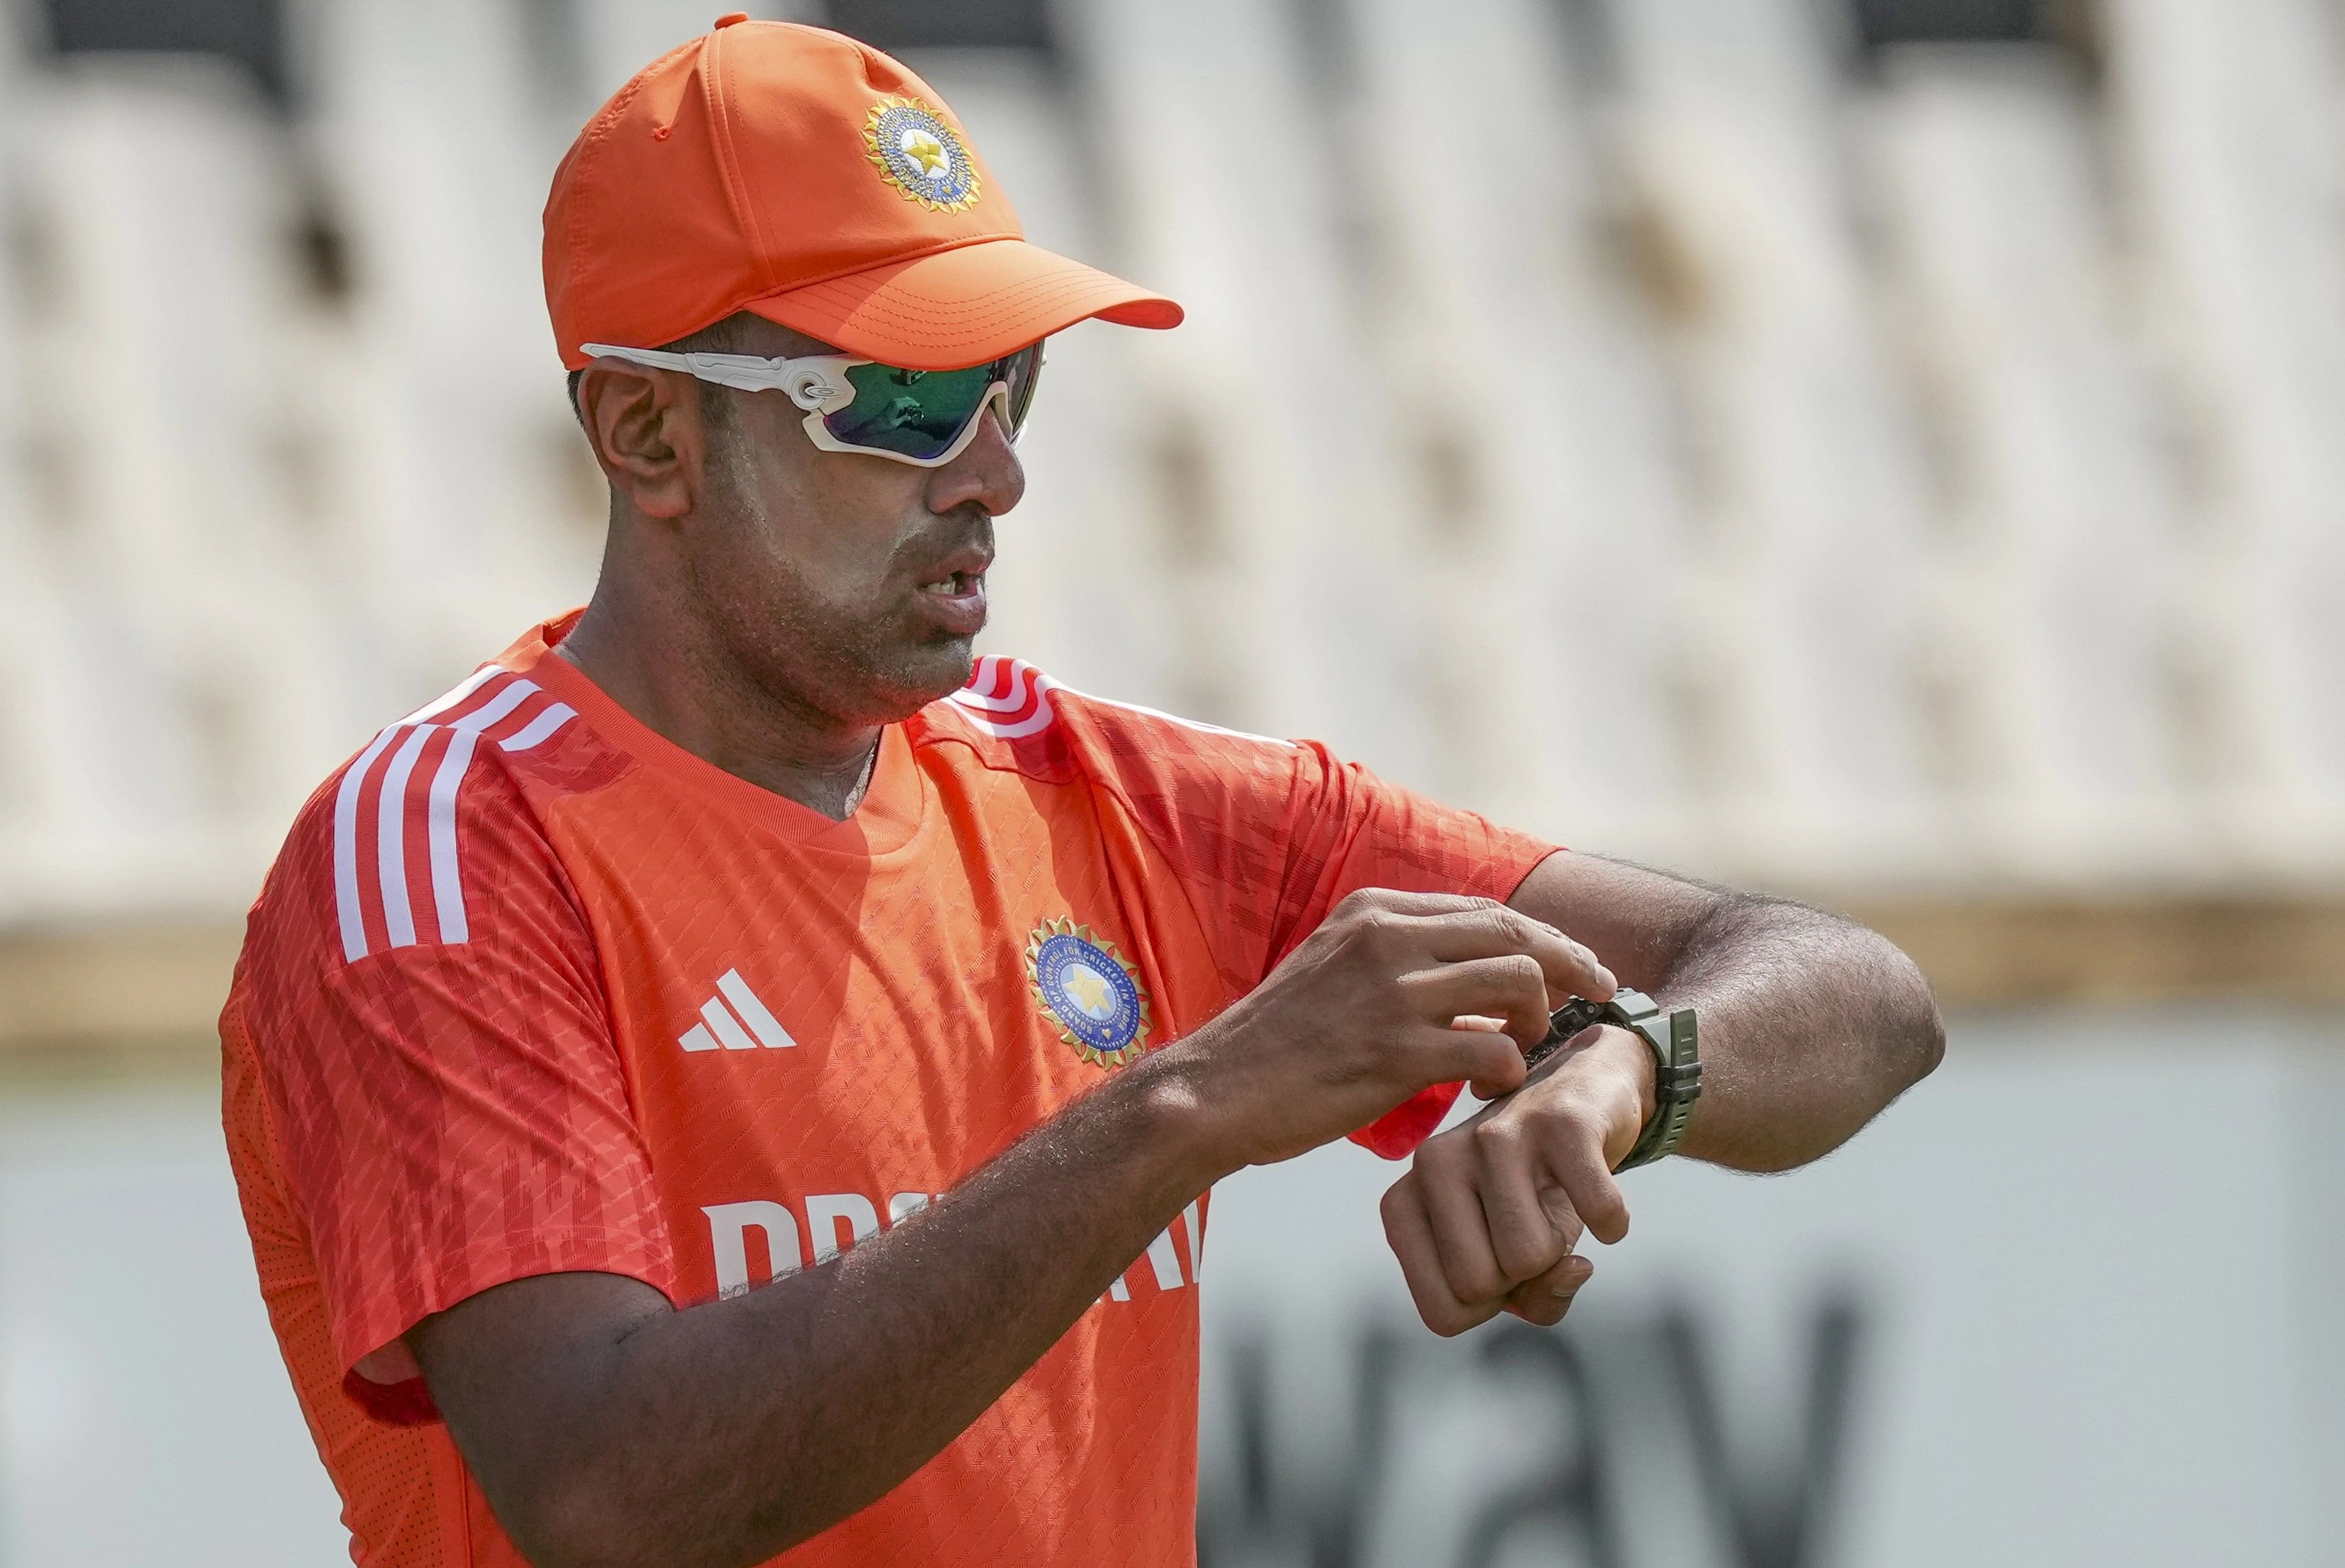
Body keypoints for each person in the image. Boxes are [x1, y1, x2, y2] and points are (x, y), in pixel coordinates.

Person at [218, 17, 1942, 1568]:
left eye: (1006, 384)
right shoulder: (443, 849)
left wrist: (1630, 1070)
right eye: (894, 402)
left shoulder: (1120, 796)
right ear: (649, 433)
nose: (996, 474)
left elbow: (1856, 995)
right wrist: (1189, 1110)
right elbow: (609, 1493)